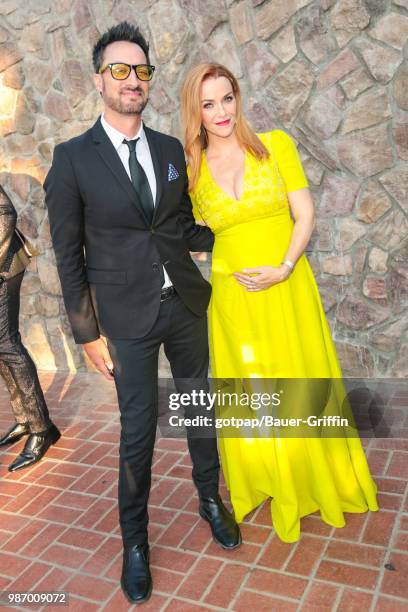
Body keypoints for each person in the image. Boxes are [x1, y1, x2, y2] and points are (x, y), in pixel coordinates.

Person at [44, 23, 240, 605]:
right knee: (138, 432)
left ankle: (211, 498)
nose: (133, 80)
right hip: (124, 322)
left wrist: (242, 236)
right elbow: (67, 253)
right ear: (99, 78)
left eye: (142, 70)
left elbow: (179, 226)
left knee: (198, 407)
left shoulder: (169, 150)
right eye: (120, 70)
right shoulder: (73, 159)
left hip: (182, 305)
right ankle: (135, 542)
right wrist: (86, 335)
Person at [180, 63, 379, 543]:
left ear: (238, 96)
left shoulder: (275, 144)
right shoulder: (191, 169)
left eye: (227, 98)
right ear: (196, 111)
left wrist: (284, 266)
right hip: (234, 300)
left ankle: (312, 477)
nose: (221, 111)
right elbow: (189, 236)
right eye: (208, 103)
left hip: (287, 286)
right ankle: (267, 478)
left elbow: (304, 213)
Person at [0, 185, 60, 471]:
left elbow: (5, 213)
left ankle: (41, 429)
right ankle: (25, 419)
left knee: (7, 344)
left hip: (4, 265)